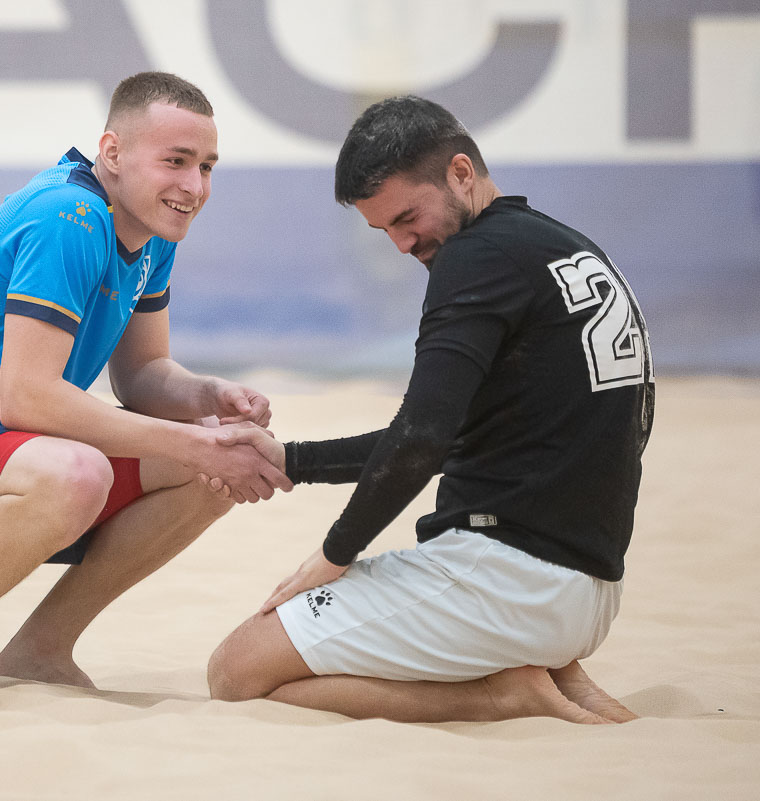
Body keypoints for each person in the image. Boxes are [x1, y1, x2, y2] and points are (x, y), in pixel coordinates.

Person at [0, 72, 290, 690]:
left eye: (206, 167)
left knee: (214, 468)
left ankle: (38, 654)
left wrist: (207, 398)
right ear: (113, 152)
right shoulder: (68, 216)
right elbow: (29, 400)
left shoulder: (149, 231)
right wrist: (193, 442)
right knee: (89, 470)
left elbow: (142, 375)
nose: (194, 186)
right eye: (176, 161)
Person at [206, 96, 654, 724]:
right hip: (589, 585)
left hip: (506, 579)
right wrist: (291, 460)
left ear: (461, 173)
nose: (401, 243)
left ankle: (503, 694)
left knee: (235, 672)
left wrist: (332, 557)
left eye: (407, 217)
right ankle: (546, 669)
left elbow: (422, 437)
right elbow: (460, 432)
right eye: (383, 230)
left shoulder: (475, 258)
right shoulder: (565, 247)